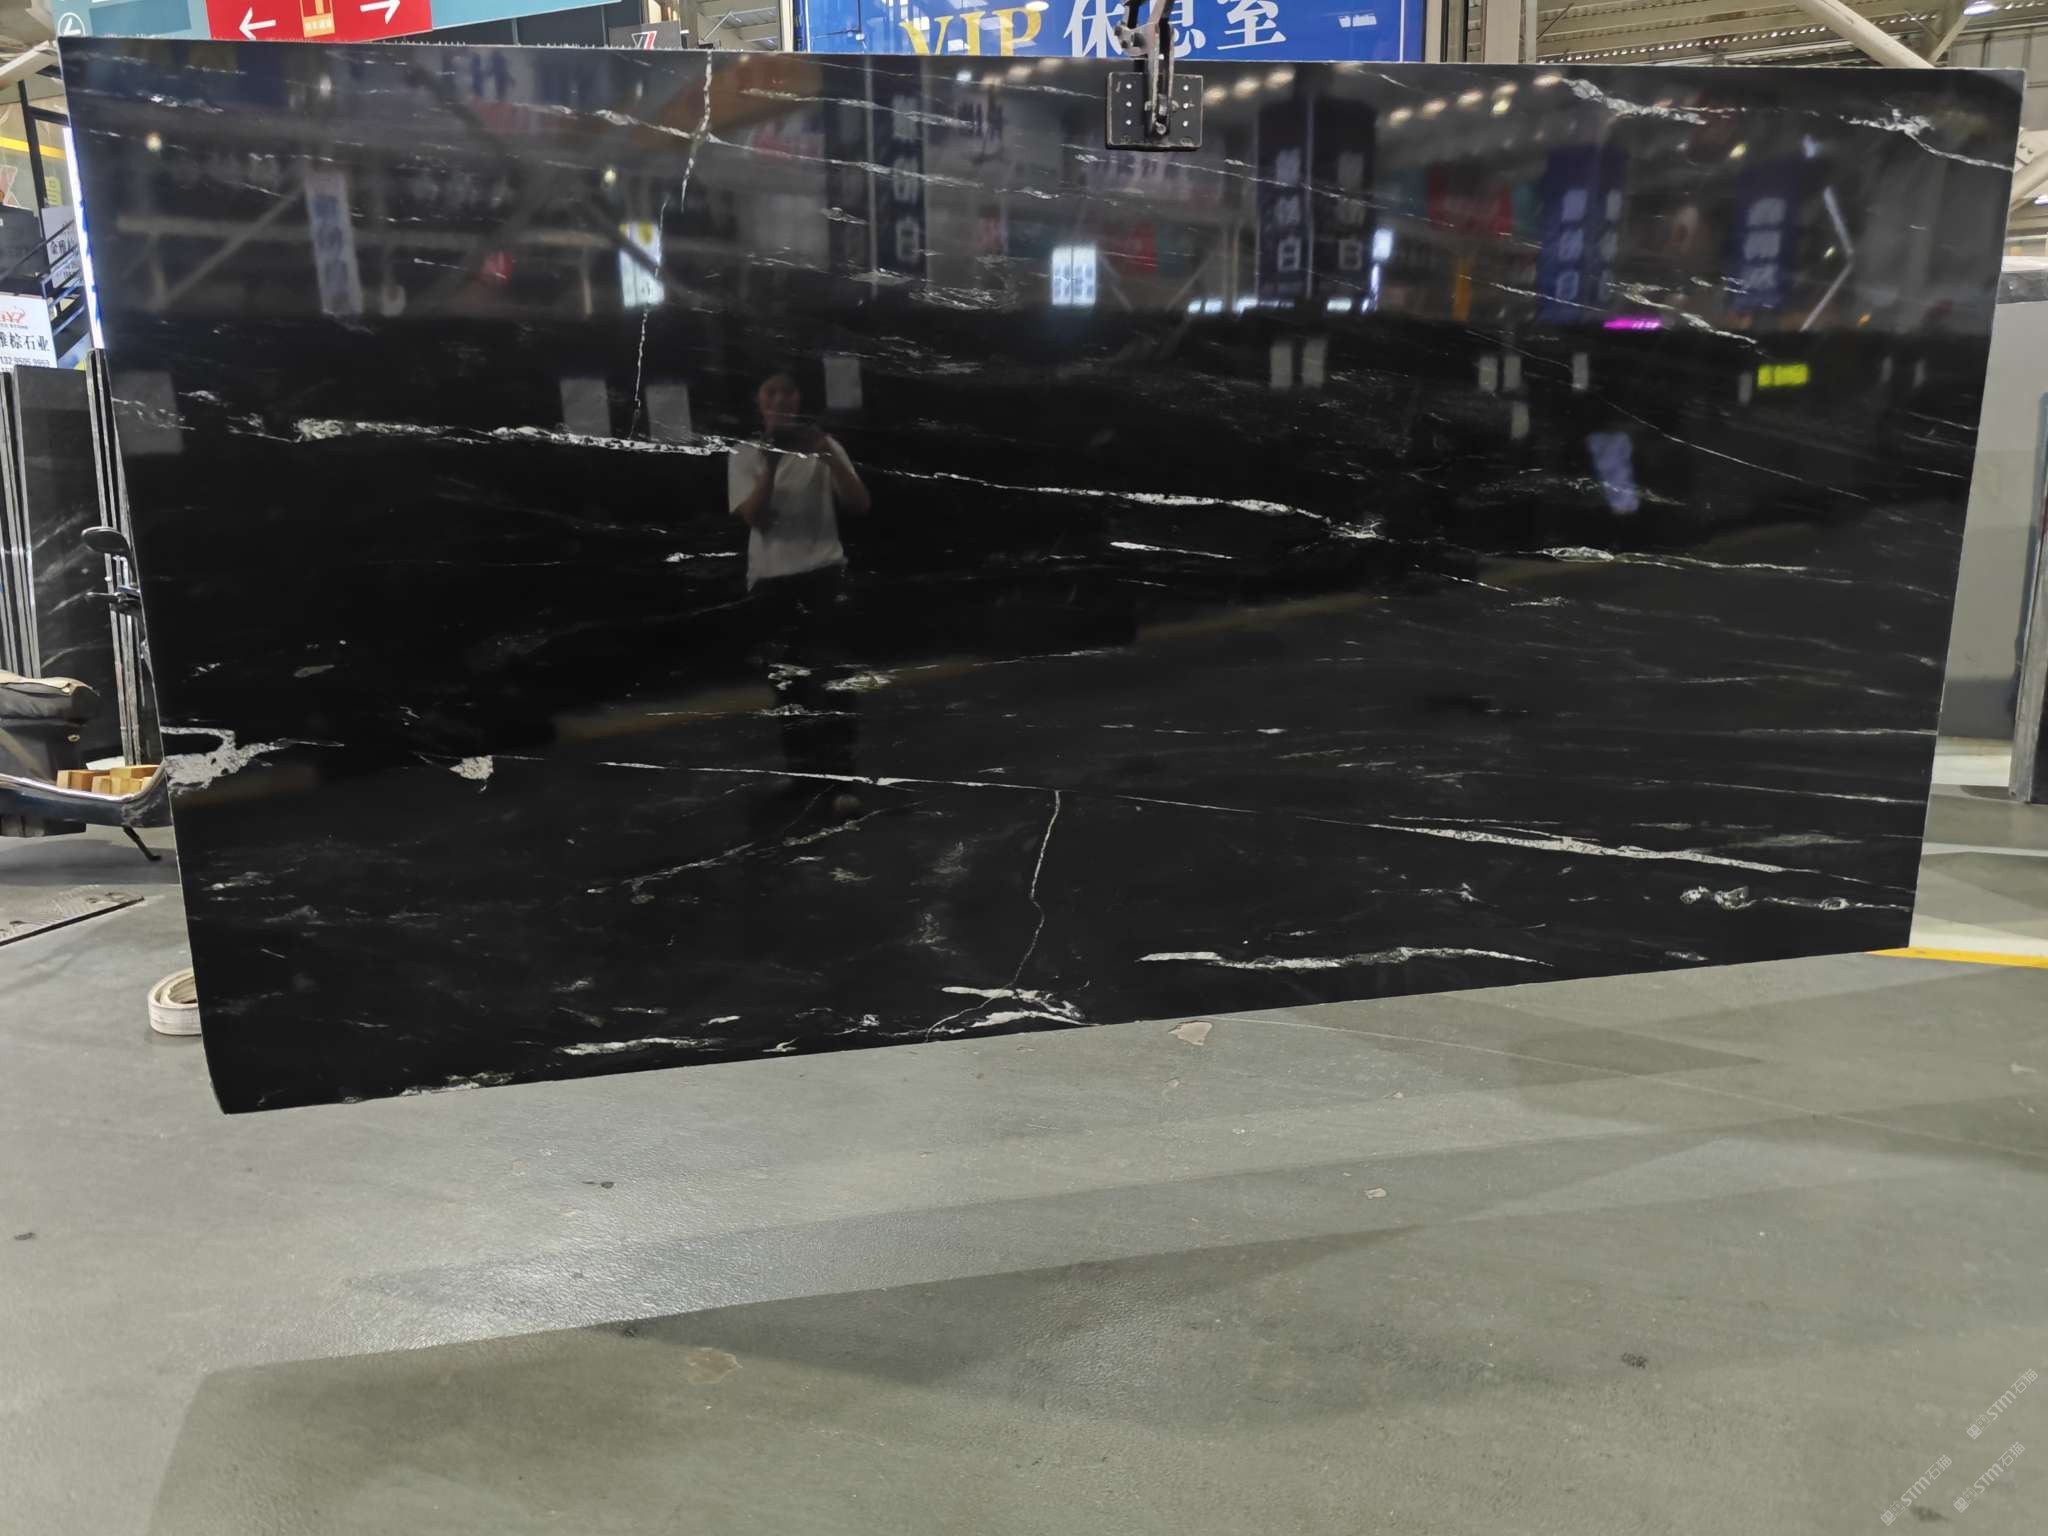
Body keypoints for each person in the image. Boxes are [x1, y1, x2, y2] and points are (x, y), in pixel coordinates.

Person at [728, 371, 871, 799]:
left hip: (823, 573)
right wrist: (772, 462)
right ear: (759, 402)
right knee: (787, 684)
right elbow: (754, 517)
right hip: (770, 580)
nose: (779, 399)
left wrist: (828, 455)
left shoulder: (824, 446)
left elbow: (860, 504)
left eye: (787, 391)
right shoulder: (745, 453)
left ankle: (842, 779)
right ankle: (804, 778)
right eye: (770, 392)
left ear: (798, 399)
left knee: (833, 678)